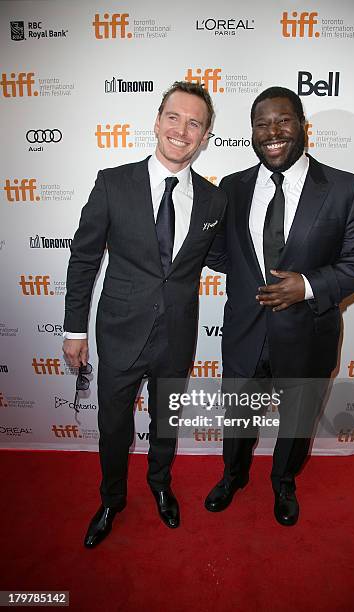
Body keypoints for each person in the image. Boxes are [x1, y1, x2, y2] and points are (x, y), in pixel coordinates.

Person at [204, 86, 354, 526]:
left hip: (308, 334)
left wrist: (305, 286)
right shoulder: (232, 187)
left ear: (303, 125)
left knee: (297, 421)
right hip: (246, 332)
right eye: (261, 125)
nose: (272, 133)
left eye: (282, 120)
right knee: (238, 414)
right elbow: (225, 253)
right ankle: (233, 474)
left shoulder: (344, 187)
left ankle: (283, 481)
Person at [63, 81, 226, 547]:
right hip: (119, 333)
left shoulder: (215, 201)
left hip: (176, 336)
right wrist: (75, 329)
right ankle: (112, 498)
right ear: (157, 122)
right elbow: (84, 258)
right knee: (113, 425)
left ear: (206, 134)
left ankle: (160, 484)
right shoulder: (113, 183)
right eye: (174, 117)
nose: (182, 130)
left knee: (165, 421)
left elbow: (226, 258)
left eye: (195, 123)